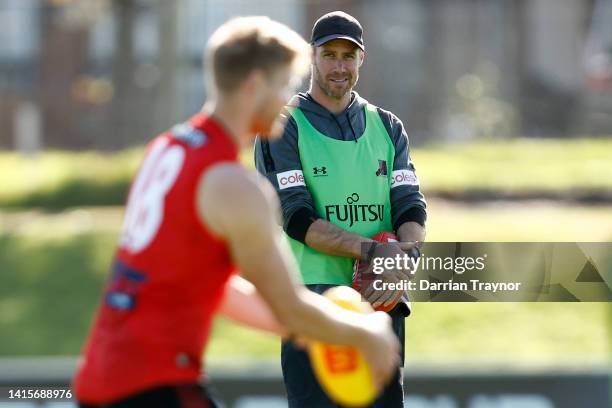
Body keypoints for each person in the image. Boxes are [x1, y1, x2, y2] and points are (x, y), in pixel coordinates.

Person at [73, 16, 400, 408]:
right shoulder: (234, 184)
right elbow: (291, 306)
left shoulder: (168, 148)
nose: (287, 100)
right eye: (284, 85)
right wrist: (366, 334)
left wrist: (311, 328)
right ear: (254, 85)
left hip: (101, 377)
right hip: (154, 385)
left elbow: (220, 290)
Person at [254, 11, 427, 407]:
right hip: (313, 303)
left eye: (348, 56)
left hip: (379, 302)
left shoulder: (387, 126)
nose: (338, 66)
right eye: (329, 54)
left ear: (361, 59)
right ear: (311, 57)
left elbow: (410, 207)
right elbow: (296, 218)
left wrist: (405, 257)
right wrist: (372, 251)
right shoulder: (282, 126)